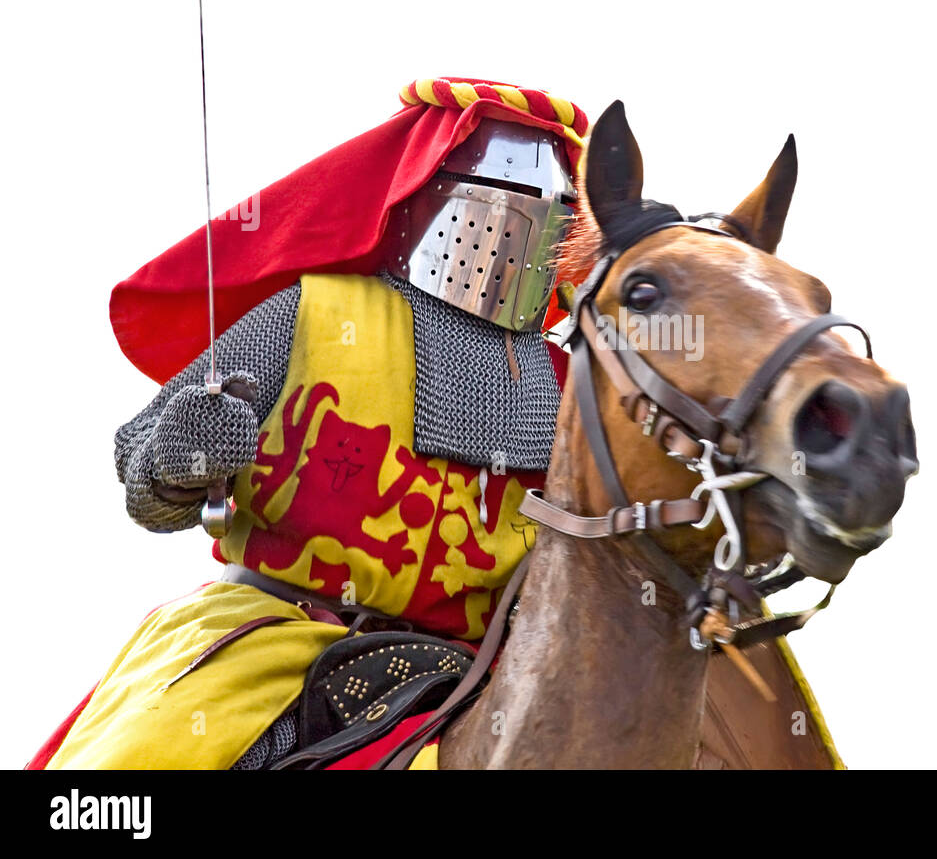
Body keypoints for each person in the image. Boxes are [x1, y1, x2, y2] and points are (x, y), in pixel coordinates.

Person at [32, 78, 588, 769]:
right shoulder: (316, 315)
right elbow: (138, 465)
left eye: (554, 205)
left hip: (477, 678)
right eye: (502, 200)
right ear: (427, 196)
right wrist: (185, 455)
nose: (521, 228)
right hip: (278, 641)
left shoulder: (568, 386)